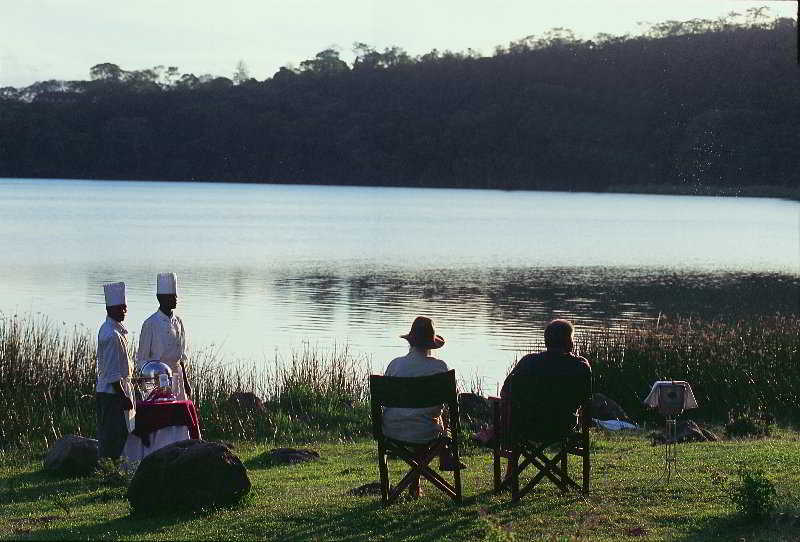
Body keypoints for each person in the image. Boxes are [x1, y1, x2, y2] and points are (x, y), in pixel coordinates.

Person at [383, 316, 461, 497]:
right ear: (430, 344)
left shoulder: (395, 365)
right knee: (433, 419)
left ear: (410, 341)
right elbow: (451, 404)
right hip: (427, 431)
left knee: (423, 417)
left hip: (392, 430)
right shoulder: (440, 368)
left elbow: (385, 403)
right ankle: (444, 454)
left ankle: (413, 485)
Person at [501, 319, 592, 440]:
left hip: (527, 427)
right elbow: (586, 400)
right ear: (569, 343)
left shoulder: (528, 361)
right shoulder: (580, 365)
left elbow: (505, 392)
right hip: (563, 428)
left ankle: (496, 436)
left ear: (546, 342)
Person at [96, 281, 136, 461]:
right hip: (112, 394)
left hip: (112, 392)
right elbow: (112, 374)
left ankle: (111, 468)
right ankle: (109, 470)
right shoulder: (112, 335)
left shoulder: (112, 330)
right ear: (109, 309)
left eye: (125, 308)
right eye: (119, 308)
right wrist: (123, 397)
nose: (123, 312)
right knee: (114, 435)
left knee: (115, 433)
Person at [137, 272, 191, 400]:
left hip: (178, 379)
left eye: (175, 295)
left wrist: (186, 382)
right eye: (171, 296)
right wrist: (150, 384)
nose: (175, 298)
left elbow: (182, 357)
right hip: (159, 380)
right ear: (160, 298)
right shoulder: (150, 323)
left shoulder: (178, 321)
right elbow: (142, 359)